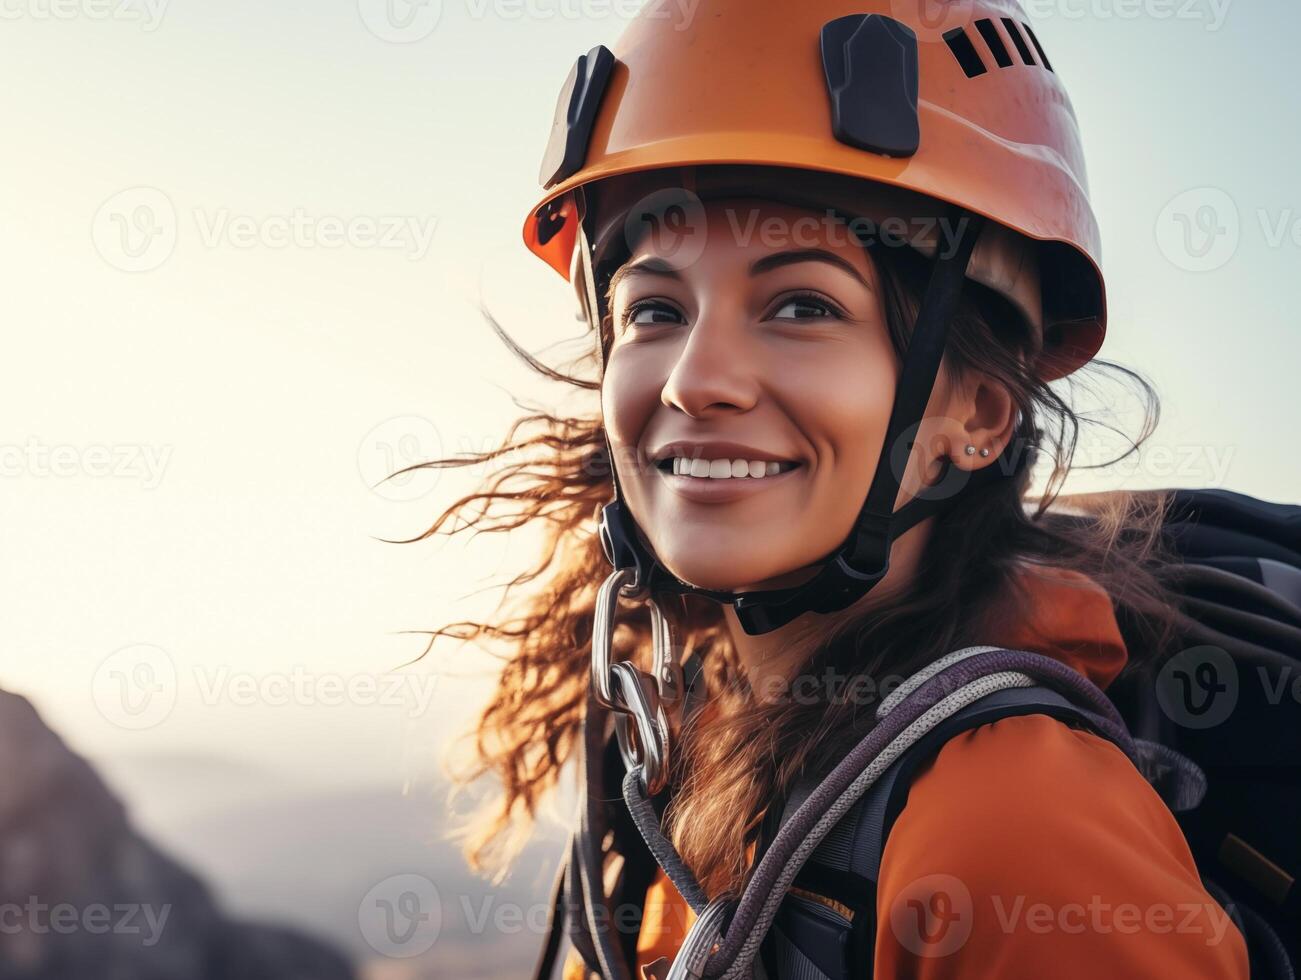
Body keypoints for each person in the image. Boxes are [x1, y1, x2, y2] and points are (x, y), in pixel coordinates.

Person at [428, 1, 1252, 976]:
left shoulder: (1016, 832)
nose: (695, 378)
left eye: (801, 304)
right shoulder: (694, 727)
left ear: (977, 415)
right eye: (653, 307)